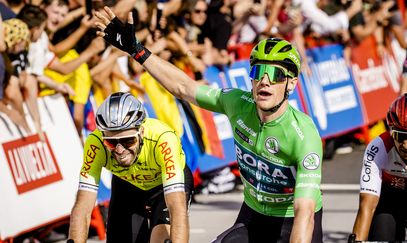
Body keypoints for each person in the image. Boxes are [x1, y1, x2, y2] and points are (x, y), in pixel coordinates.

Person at [95, 7, 324, 242]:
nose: (265, 81)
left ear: (291, 84)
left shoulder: (304, 135)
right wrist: (137, 50)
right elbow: (184, 87)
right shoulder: (237, 103)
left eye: (275, 75)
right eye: (258, 71)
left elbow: (304, 213)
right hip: (254, 214)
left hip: (292, 220)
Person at [67, 92, 193, 243]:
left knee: (161, 239)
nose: (120, 150)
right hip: (127, 184)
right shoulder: (95, 143)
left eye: (128, 141)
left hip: (163, 186)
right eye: (111, 143)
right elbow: (83, 208)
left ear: (141, 132)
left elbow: (177, 209)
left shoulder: (163, 139)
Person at [352, 93, 407, 241]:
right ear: (390, 132)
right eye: (400, 136)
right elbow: (366, 206)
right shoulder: (378, 147)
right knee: (381, 237)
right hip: (391, 200)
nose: (406, 146)